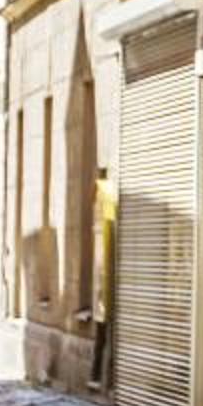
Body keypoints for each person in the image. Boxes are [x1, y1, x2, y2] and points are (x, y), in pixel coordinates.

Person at [90, 165, 117, 388]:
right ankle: (97, 376)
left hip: (103, 292)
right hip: (103, 292)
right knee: (102, 336)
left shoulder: (105, 198)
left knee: (102, 336)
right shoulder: (106, 198)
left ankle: (97, 376)